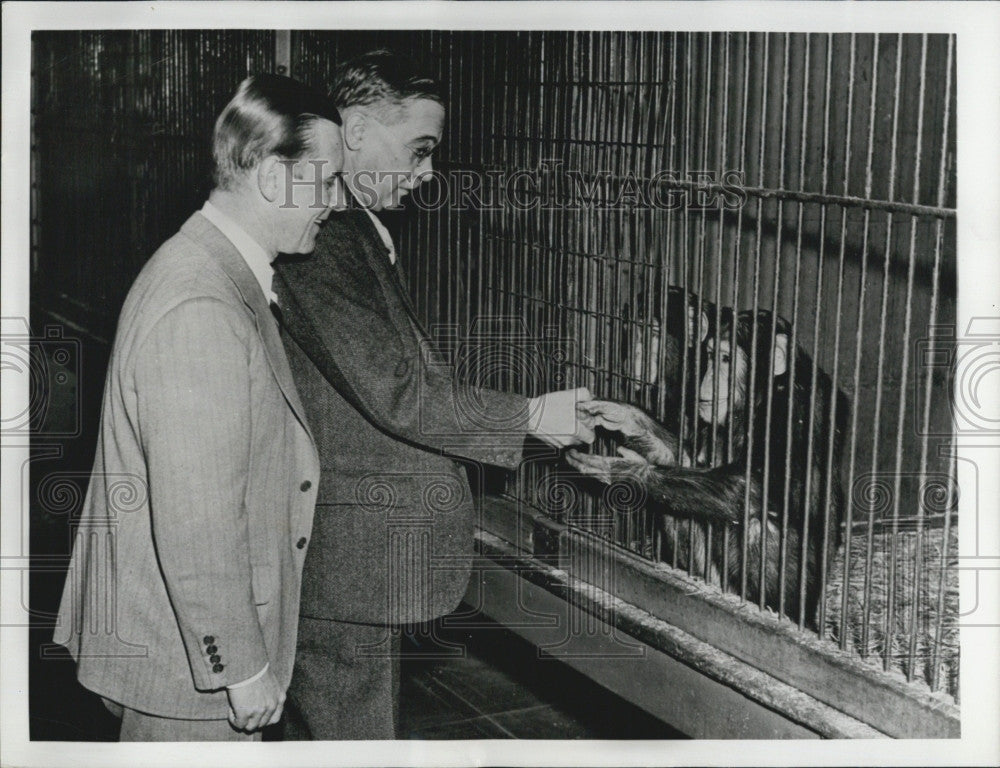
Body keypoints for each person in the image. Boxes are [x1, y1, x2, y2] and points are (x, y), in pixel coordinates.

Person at [272, 50, 594, 740]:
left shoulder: (354, 230)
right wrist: (536, 416)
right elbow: (397, 391)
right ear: (354, 131)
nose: (428, 172)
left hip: (352, 557)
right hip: (342, 558)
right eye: (419, 150)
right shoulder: (320, 240)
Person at [53, 74, 344, 741]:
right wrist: (239, 668)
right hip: (192, 676)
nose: (335, 202)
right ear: (273, 177)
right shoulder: (201, 305)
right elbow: (197, 515)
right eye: (325, 181)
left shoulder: (217, 274)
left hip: (179, 654)